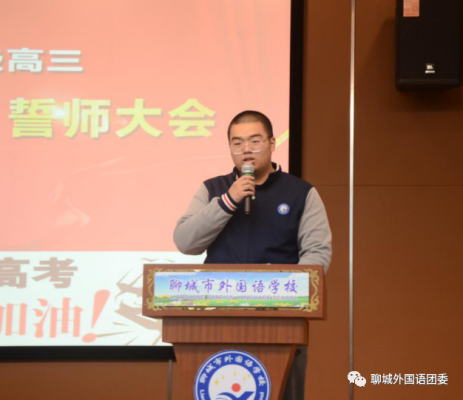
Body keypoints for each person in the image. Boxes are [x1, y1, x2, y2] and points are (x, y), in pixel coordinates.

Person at [173, 110, 332, 400]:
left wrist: (287, 292)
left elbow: (317, 252)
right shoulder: (213, 189)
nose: (246, 149)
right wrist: (228, 201)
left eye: (255, 141)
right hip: (216, 321)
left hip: (281, 323)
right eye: (237, 143)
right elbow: (185, 242)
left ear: (272, 143)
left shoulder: (301, 192)